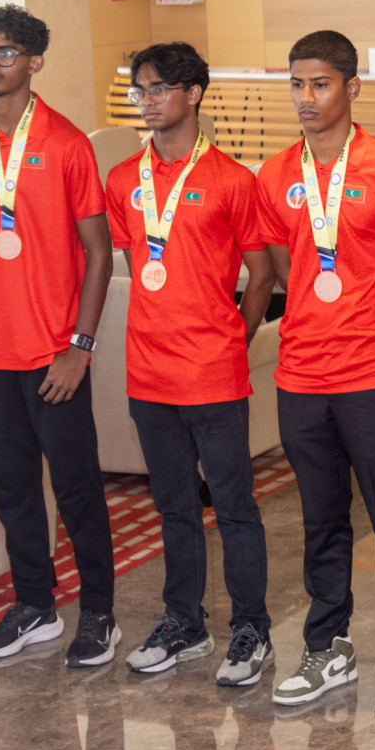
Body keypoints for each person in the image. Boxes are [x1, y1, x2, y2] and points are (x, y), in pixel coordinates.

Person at [256, 30, 375, 715]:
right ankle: (327, 646)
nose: (307, 98)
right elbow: (281, 271)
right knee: (320, 518)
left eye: (321, 84)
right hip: (301, 376)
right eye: (297, 84)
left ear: (352, 87)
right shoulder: (275, 175)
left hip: (373, 375)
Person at [0, 4, 118, 666]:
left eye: (5, 52)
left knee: (75, 489)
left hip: (54, 357)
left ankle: (98, 613)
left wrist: (81, 346)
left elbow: (98, 252)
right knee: (11, 488)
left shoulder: (68, 144)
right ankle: (35, 606)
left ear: (35, 62)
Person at [104, 41, 277, 686]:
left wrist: (234, 333)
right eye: (139, 91)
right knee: (173, 505)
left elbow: (262, 274)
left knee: (233, 505)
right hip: (148, 374)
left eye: (157, 89)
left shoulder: (233, 180)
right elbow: (136, 268)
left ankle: (250, 627)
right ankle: (184, 621)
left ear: (194, 94)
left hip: (214, 371)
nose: (145, 102)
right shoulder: (124, 180)